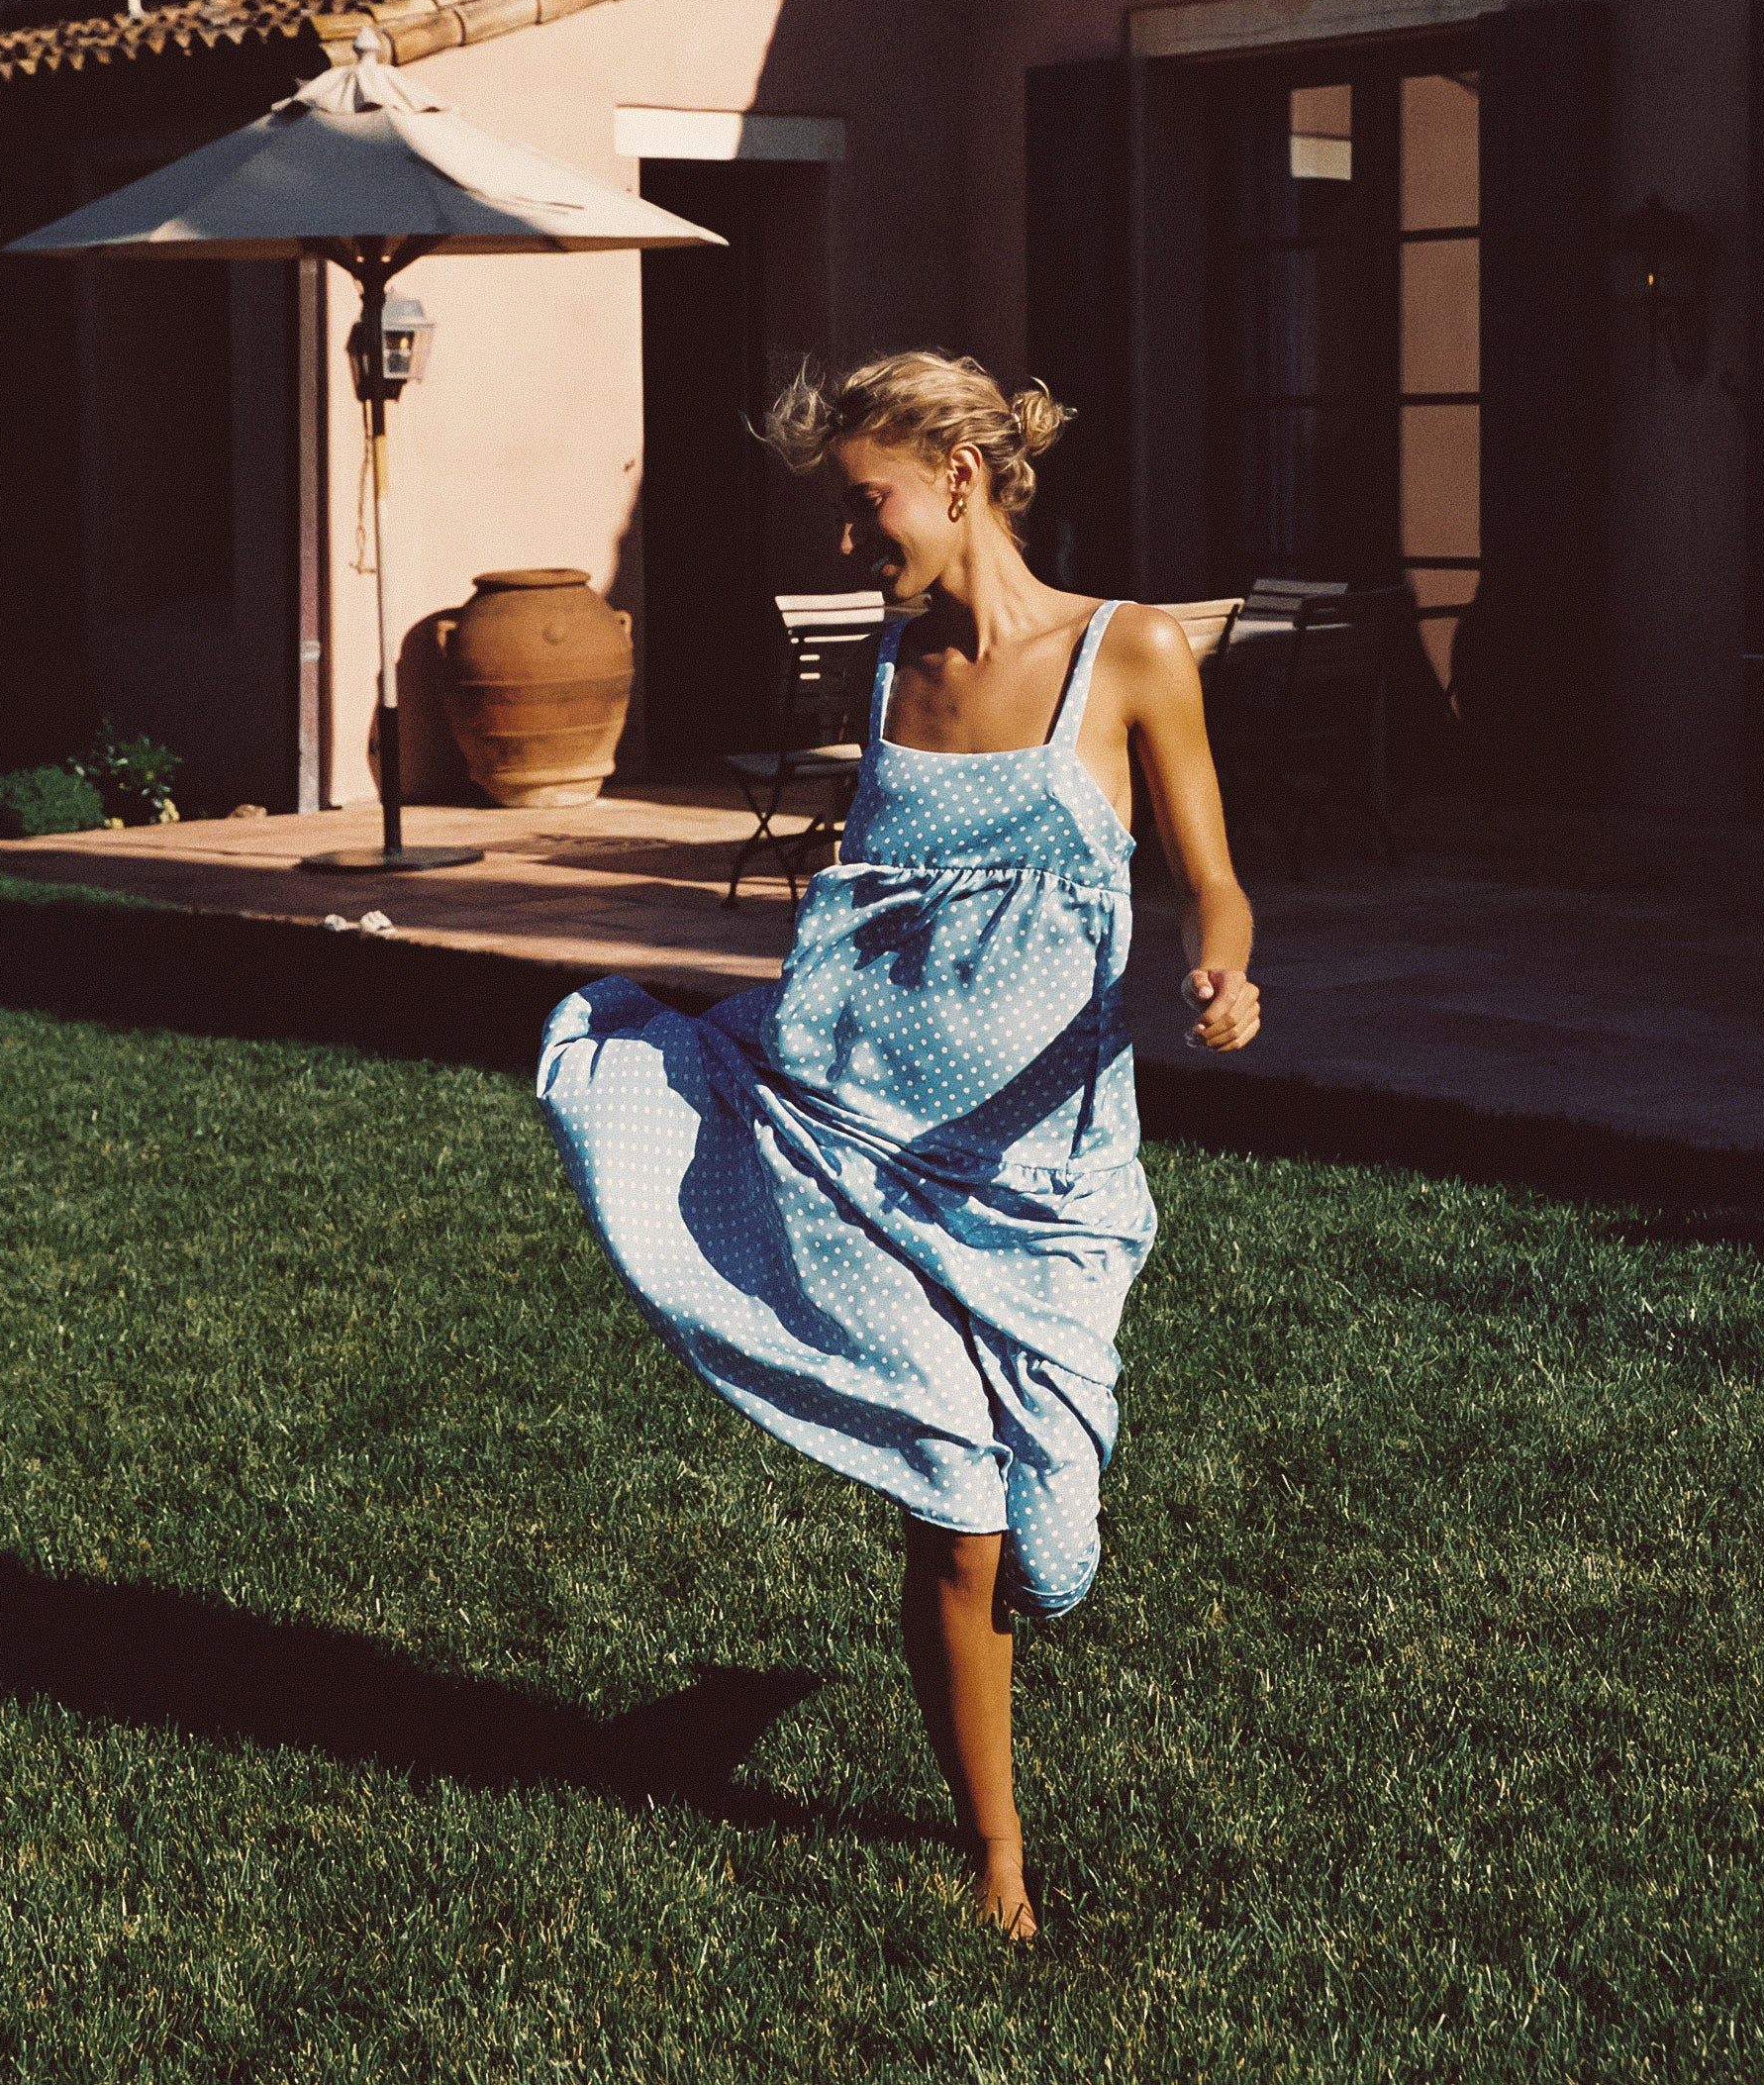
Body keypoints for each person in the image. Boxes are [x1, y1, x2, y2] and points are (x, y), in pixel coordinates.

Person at [537, 350, 1259, 1941]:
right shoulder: (887, 671)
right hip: (858, 1142)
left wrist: (1224, 968)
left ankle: (845, 1731)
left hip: (1045, 1166)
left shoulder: (1129, 651)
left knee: (1049, 1538)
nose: (849, 542)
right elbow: (883, 908)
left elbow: (1211, 875)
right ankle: (995, 1852)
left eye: (867, 507)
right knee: (957, 1502)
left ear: (959, 478)